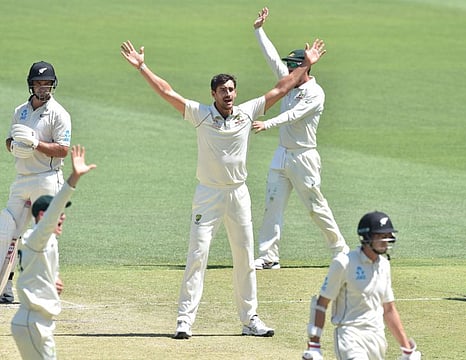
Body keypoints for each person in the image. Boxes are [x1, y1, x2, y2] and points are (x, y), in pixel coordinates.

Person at [120, 37, 325, 339]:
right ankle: (184, 321)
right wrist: (143, 68)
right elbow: (167, 92)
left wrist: (307, 64)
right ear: (213, 94)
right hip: (208, 194)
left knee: (244, 257)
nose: (228, 94)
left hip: (238, 194)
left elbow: (281, 88)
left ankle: (250, 319)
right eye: (222, 90)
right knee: (197, 255)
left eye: (231, 89)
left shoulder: (246, 113)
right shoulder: (201, 114)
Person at [251, 8, 349, 270]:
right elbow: (272, 59)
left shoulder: (315, 93)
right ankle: (268, 256)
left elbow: (294, 115)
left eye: (293, 67)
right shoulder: (289, 83)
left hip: (304, 157)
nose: (288, 72)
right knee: (272, 204)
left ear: (302, 69)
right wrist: (259, 30)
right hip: (282, 153)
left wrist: (266, 122)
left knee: (316, 207)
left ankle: (341, 249)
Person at [10, 145, 96, 360]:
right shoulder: (37, 237)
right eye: (59, 213)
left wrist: (50, 281)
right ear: (42, 215)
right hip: (33, 323)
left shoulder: (44, 241)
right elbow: (55, 208)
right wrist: (74, 178)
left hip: (38, 323)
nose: (63, 217)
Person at [302, 211, 422, 360]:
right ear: (366, 238)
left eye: (387, 235)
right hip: (349, 335)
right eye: (380, 236)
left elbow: (389, 310)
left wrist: (407, 349)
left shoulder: (384, 266)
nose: (385, 240)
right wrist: (314, 344)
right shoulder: (344, 263)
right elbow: (321, 303)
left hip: (377, 337)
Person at [0, 61, 72, 303]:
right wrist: (15, 147)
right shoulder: (20, 111)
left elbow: (63, 150)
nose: (43, 87)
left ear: (53, 84)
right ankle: (5, 287)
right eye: (39, 83)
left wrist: (36, 144)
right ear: (31, 85)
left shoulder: (59, 114)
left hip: (47, 178)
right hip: (22, 178)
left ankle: (50, 287)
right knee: (7, 230)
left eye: (47, 83)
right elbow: (10, 141)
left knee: (46, 233)